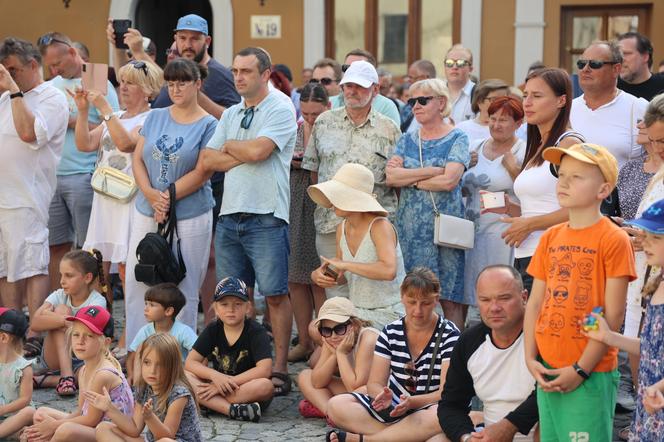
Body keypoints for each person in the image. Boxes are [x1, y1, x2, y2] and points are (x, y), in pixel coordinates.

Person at [524, 143, 636, 441]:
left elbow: (612, 314)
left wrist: (581, 369)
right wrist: (529, 357)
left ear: (604, 189)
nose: (564, 182)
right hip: (547, 368)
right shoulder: (550, 237)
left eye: (577, 177)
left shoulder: (614, 239)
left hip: (590, 372)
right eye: (562, 175)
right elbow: (535, 303)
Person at [201, 47, 296, 396]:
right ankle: (243, 367)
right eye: (235, 71)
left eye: (246, 71)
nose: (238, 77)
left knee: (274, 296)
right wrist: (242, 150)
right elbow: (208, 158)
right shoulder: (231, 112)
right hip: (229, 215)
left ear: (265, 74)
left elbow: (259, 152)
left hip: (267, 215)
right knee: (233, 299)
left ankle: (281, 368)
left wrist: (232, 147)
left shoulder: (281, 106)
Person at [124, 57, 217, 344]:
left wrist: (168, 196)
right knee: (138, 279)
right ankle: (137, 349)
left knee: (184, 285)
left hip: (189, 212)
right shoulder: (155, 116)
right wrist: (151, 194)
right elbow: (138, 157)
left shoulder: (208, 124)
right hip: (147, 207)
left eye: (183, 83)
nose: (176, 89)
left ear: (197, 84)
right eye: (171, 83)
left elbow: (203, 170)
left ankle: (179, 352)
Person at [325, 268, 459, 442]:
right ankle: (404, 436)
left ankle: (366, 440)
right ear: (402, 297)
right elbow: (374, 383)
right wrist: (381, 394)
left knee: (441, 418)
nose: (417, 310)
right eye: (412, 302)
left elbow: (445, 394)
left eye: (425, 303)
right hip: (395, 409)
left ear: (436, 300)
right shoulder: (391, 331)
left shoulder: (450, 335)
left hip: (431, 408)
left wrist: (412, 402)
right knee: (336, 405)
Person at [303, 60, 400, 301]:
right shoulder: (324, 122)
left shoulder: (390, 129)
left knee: (371, 291)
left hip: (372, 226)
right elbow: (314, 170)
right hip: (329, 221)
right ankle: (339, 339)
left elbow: (395, 181)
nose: (352, 91)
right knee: (334, 291)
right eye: (348, 86)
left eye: (360, 86)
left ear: (376, 90)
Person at [71, 60, 162, 307]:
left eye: (131, 82)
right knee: (97, 269)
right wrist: (81, 111)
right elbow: (85, 144)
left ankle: (129, 332)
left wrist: (104, 108)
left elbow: (126, 144)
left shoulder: (153, 118)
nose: (123, 87)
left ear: (148, 89)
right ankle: (103, 325)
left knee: (126, 268)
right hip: (106, 197)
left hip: (131, 200)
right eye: (122, 81)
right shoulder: (117, 116)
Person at [38, 32, 120, 292]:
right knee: (56, 245)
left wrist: (74, 121)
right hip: (54, 175)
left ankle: (94, 305)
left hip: (85, 174)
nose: (54, 69)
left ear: (73, 53)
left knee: (90, 247)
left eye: (57, 64)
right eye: (49, 65)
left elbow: (114, 125)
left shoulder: (95, 78)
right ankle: (58, 301)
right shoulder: (50, 86)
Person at [386, 79, 470, 330]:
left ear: (441, 102)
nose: (415, 106)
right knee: (415, 295)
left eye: (423, 100)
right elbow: (391, 177)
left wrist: (410, 178)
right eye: (412, 101)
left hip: (446, 227)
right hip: (411, 230)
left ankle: (453, 356)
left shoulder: (458, 137)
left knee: (450, 297)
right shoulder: (407, 139)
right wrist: (431, 171)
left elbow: (449, 181)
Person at [0, 38, 68, 331]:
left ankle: (34, 332)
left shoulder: (52, 98)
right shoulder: (5, 98)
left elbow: (28, 133)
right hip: (4, 196)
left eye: (13, 70)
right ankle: (9, 327)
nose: (8, 76)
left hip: (27, 197)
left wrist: (14, 92)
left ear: (32, 65)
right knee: (5, 268)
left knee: (31, 265)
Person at [586, 199, 664, 441]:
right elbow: (652, 349)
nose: (645, 243)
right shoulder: (657, 283)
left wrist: (660, 388)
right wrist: (609, 336)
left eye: (656, 238)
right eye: (645, 235)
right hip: (651, 403)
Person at [501, 68, 583, 292]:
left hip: (557, 254)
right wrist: (514, 209)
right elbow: (546, 204)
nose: (527, 102)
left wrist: (529, 224)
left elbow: (582, 209)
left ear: (561, 100)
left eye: (537, 96)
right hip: (527, 255)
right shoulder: (538, 144)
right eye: (525, 95)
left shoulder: (569, 144)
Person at [438, 265, 538, 442]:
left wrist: (509, 426)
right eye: (485, 300)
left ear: (524, 297)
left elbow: (549, 393)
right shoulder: (469, 342)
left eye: (504, 298)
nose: (494, 308)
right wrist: (467, 437)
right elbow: (450, 405)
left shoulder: (543, 336)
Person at [308, 163, 406, 328]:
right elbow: (341, 276)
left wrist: (345, 264)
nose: (332, 200)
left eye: (338, 195)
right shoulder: (342, 228)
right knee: (315, 329)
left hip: (388, 312)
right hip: (356, 311)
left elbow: (389, 271)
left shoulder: (380, 226)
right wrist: (320, 275)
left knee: (334, 336)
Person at [25, 306, 134, 442]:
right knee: (41, 414)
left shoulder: (103, 374)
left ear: (105, 343)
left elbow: (91, 420)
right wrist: (51, 426)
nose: (80, 341)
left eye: (89, 336)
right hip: (92, 426)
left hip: (110, 433)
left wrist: (53, 426)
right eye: (76, 334)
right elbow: (81, 411)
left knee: (65, 430)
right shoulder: (83, 370)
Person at [109, 14, 239, 120]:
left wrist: (196, 96)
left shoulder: (220, 74)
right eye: (182, 38)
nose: (187, 44)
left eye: (194, 39)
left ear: (207, 41)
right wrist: (118, 46)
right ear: (175, 39)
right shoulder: (173, 72)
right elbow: (125, 77)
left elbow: (233, 119)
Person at [462, 96, 526, 307]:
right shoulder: (474, 147)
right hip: (469, 234)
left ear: (518, 123)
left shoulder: (523, 151)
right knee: (468, 294)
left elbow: (530, 194)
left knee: (498, 294)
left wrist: (513, 169)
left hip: (502, 237)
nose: (496, 125)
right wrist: (462, 165)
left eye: (504, 120)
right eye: (492, 118)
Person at [185, 277, 274, 422]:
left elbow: (264, 370)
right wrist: (215, 376)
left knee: (266, 386)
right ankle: (231, 410)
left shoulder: (256, 331)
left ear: (248, 307)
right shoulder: (213, 328)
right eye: (224, 304)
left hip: (243, 388)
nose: (231, 310)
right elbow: (190, 362)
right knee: (184, 375)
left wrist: (226, 383)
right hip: (218, 384)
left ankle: (209, 403)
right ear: (216, 308)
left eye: (238, 304)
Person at [93, 333, 202, 442]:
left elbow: (167, 436)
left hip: (173, 440)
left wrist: (150, 417)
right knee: (104, 428)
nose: (152, 370)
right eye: (147, 362)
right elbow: (135, 429)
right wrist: (109, 408)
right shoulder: (144, 388)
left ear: (172, 366)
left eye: (160, 364)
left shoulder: (178, 394)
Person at [287, 83, 329, 363]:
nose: (311, 118)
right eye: (306, 113)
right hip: (295, 198)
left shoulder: (333, 129)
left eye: (316, 113)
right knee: (295, 276)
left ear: (327, 107)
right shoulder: (293, 128)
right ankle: (303, 340)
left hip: (322, 200)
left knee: (319, 278)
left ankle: (325, 343)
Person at [31, 249, 108, 396]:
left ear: (87, 278)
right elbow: (35, 323)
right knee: (62, 309)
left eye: (69, 276)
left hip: (82, 359)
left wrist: (49, 316)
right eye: (61, 275)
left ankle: (50, 380)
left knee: (94, 380)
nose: (62, 281)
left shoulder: (97, 301)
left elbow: (84, 331)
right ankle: (66, 375)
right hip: (54, 358)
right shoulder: (59, 295)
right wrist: (63, 320)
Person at [297, 297, 379, 418]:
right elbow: (317, 382)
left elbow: (354, 387)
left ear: (354, 325)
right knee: (305, 375)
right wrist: (335, 354)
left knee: (362, 390)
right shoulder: (330, 338)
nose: (333, 336)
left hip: (376, 393)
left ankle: (333, 410)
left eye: (339, 329)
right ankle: (330, 414)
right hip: (353, 392)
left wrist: (341, 354)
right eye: (326, 330)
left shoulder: (368, 338)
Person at [570, 40, 648, 168]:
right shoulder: (567, 109)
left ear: (616, 69)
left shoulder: (639, 108)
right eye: (581, 63)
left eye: (595, 64)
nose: (585, 69)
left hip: (621, 187)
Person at [127, 283, 198, 385]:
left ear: (168, 311)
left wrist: (192, 374)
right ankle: (139, 392)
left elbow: (200, 355)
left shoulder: (183, 331)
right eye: (146, 303)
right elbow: (132, 356)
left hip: (177, 378)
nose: (146, 308)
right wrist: (131, 375)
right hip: (151, 376)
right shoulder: (145, 331)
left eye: (152, 305)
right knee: (139, 351)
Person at [330, 49, 401, 126]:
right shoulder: (329, 104)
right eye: (347, 68)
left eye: (359, 69)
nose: (351, 73)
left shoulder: (387, 107)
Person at [0, 308, 35, 439]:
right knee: (21, 433)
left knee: (29, 413)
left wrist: (3, 409)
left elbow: (25, 399)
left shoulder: (23, 368)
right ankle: (20, 434)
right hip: (3, 421)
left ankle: (19, 433)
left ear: (3, 337)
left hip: (16, 416)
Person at [455, 79, 509, 146]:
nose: (500, 103)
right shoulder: (462, 129)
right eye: (494, 100)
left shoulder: (512, 128)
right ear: (480, 102)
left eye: (504, 100)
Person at [617, 32, 664, 101]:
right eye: (618, 54)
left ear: (645, 57)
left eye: (626, 53)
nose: (620, 59)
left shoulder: (661, 86)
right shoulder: (610, 86)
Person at [401, 59, 436, 133]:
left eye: (411, 77)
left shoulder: (436, 105)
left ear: (424, 78)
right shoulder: (408, 105)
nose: (408, 81)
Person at [443, 44, 475, 124]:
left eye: (461, 63)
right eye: (449, 62)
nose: (454, 67)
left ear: (470, 69)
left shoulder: (479, 95)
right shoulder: (434, 93)